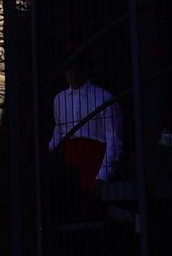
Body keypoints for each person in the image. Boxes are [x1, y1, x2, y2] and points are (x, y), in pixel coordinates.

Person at [46, 59, 126, 198]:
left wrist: (103, 174)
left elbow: (113, 138)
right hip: (69, 167)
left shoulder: (103, 97)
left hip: (94, 161)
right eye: (68, 68)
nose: (71, 72)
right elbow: (58, 132)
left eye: (74, 67)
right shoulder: (59, 99)